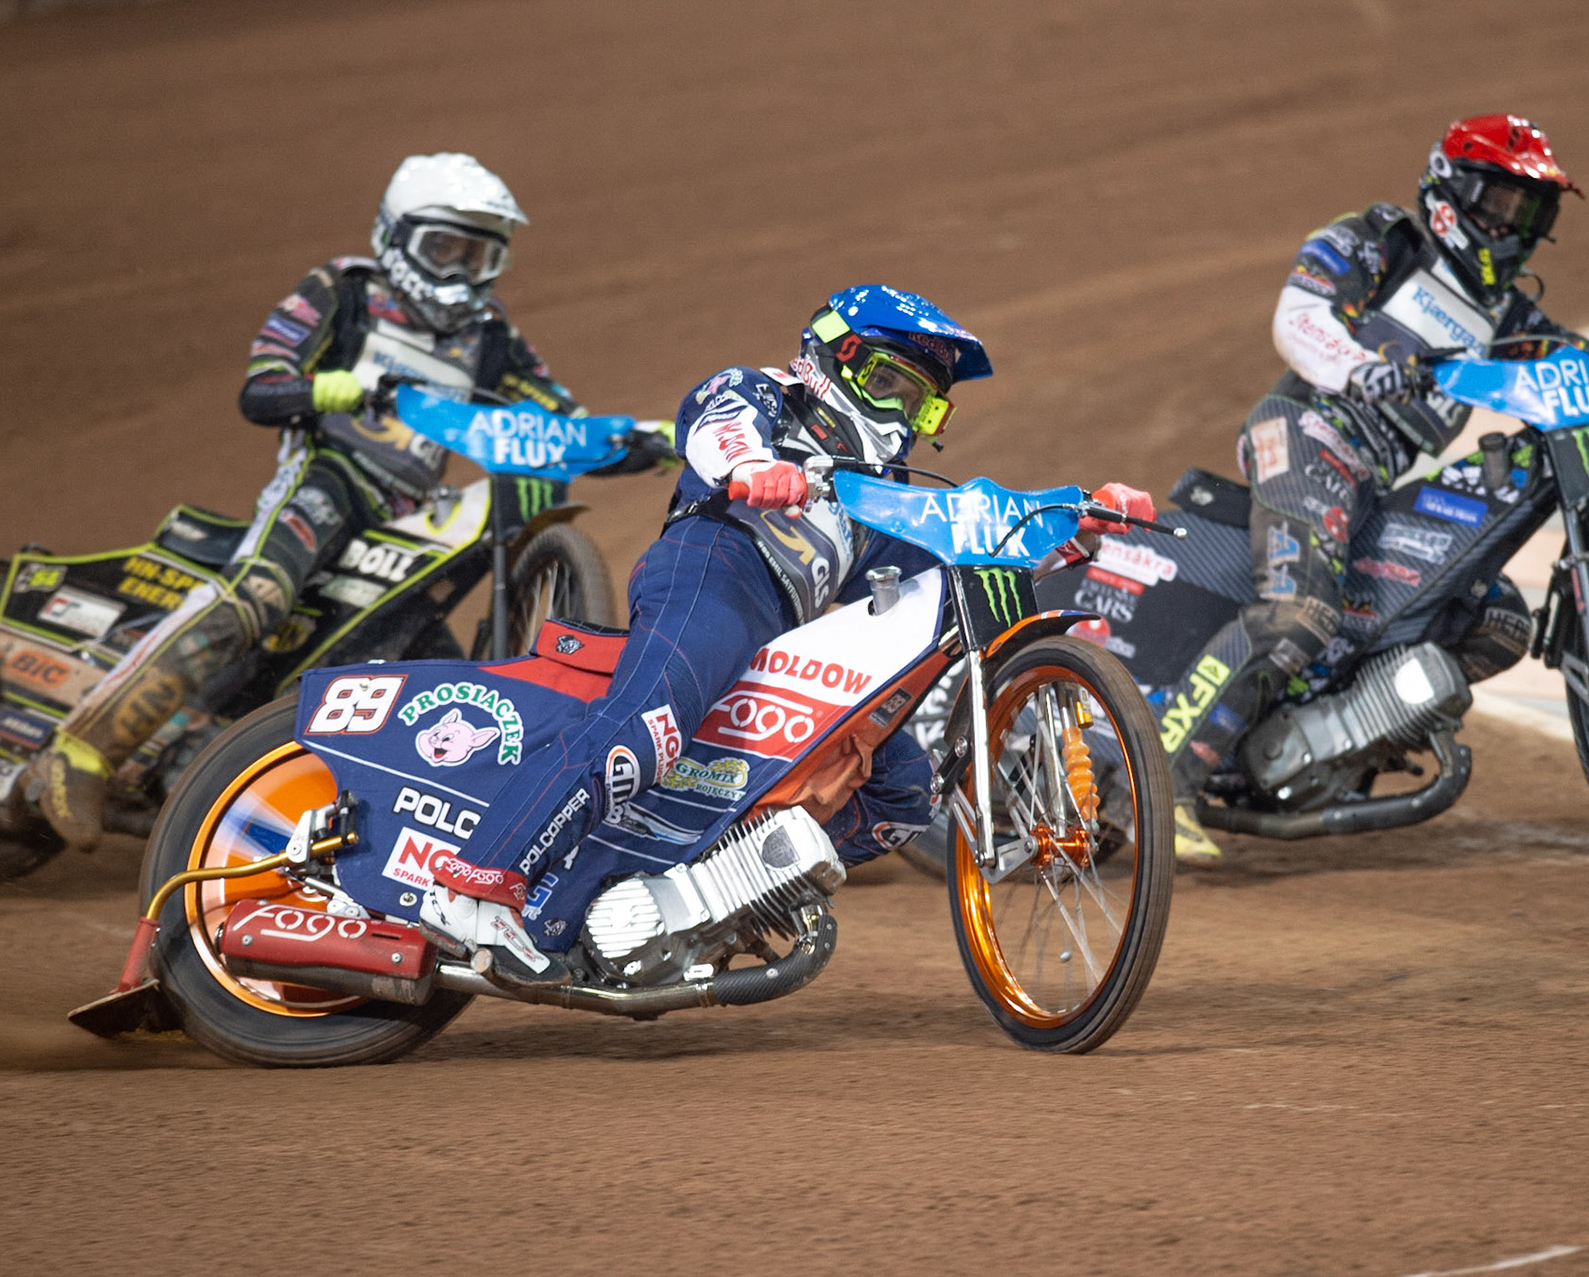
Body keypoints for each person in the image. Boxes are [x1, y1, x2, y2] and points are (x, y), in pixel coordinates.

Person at [414, 284, 1155, 985]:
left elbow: (968, 533)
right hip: (718, 568)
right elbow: (714, 427)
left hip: (785, 642)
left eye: (924, 407)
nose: (902, 417)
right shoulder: (765, 392)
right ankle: (477, 887)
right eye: (892, 387)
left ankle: (713, 896)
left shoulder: (882, 496)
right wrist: (754, 466)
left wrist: (1076, 516)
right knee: (638, 734)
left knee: (901, 794)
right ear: (835, 358)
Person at [30, 152, 673, 849]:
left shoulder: (489, 336)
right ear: (395, 239)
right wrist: (328, 389)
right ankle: (77, 751)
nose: (459, 271)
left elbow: (553, 421)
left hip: (405, 517)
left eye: (478, 255)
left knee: (432, 678)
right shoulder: (343, 291)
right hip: (327, 478)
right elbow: (262, 384)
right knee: (262, 595)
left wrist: (659, 438)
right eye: (444, 249)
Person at [1165, 114, 1589, 866]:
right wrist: (1356, 366)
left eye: (1532, 211)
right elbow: (1299, 317)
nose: (1515, 226)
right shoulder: (1378, 242)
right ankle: (1163, 779)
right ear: (1451, 195)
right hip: (1307, 431)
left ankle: (1339, 746)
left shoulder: (1507, 316)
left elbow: (1587, 370)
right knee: (1299, 610)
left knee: (1498, 619)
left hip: (1374, 483)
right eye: (1502, 204)